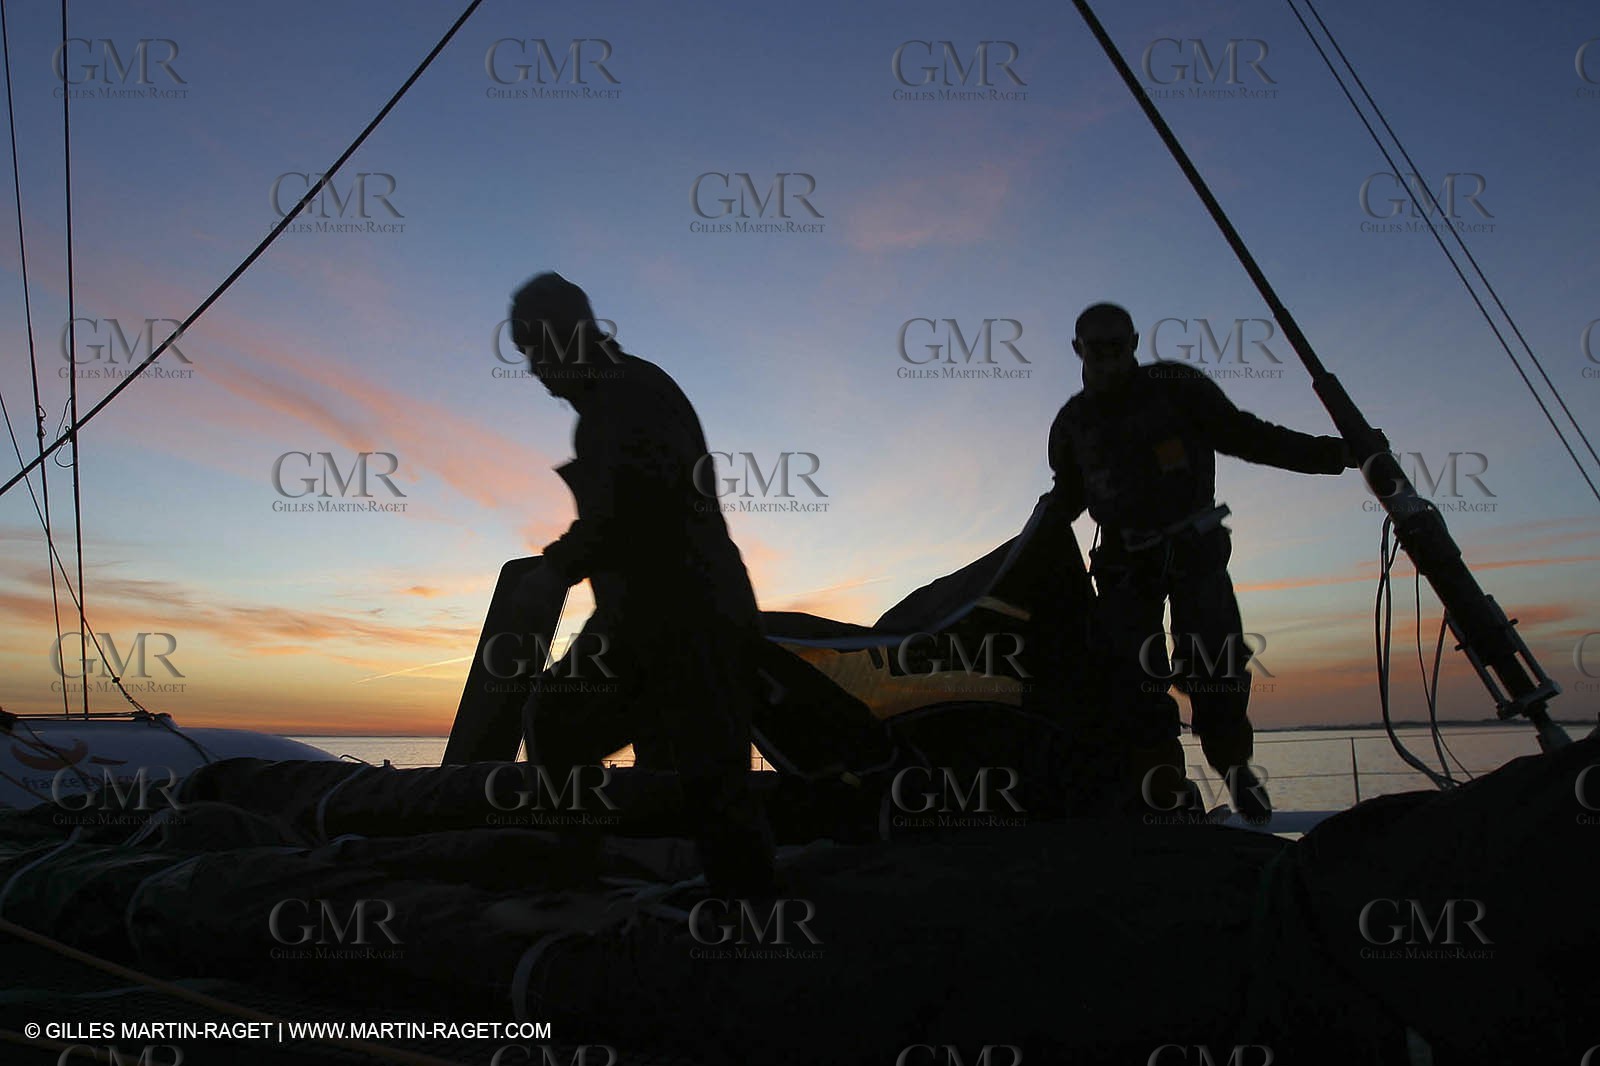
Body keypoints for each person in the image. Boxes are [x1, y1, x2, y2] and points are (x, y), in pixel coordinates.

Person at [1041, 302, 1366, 821]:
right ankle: (1163, 793)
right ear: (1077, 349)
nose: (1105, 356)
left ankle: (1234, 766)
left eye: (1116, 345)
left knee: (1217, 666)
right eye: (1094, 347)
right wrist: (1036, 530)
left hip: (1194, 552)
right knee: (1132, 680)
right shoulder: (1071, 424)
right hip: (1123, 566)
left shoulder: (1177, 387)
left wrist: (1335, 455)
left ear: (1134, 343)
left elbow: (1247, 435)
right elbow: (1068, 494)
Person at [507, 271, 774, 894]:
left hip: (687, 616)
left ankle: (737, 915)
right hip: (650, 619)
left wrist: (554, 570)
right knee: (594, 734)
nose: (534, 370)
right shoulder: (618, 397)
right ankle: (608, 887)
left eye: (536, 351)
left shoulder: (627, 396)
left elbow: (635, 509)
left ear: (567, 335)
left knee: (702, 780)